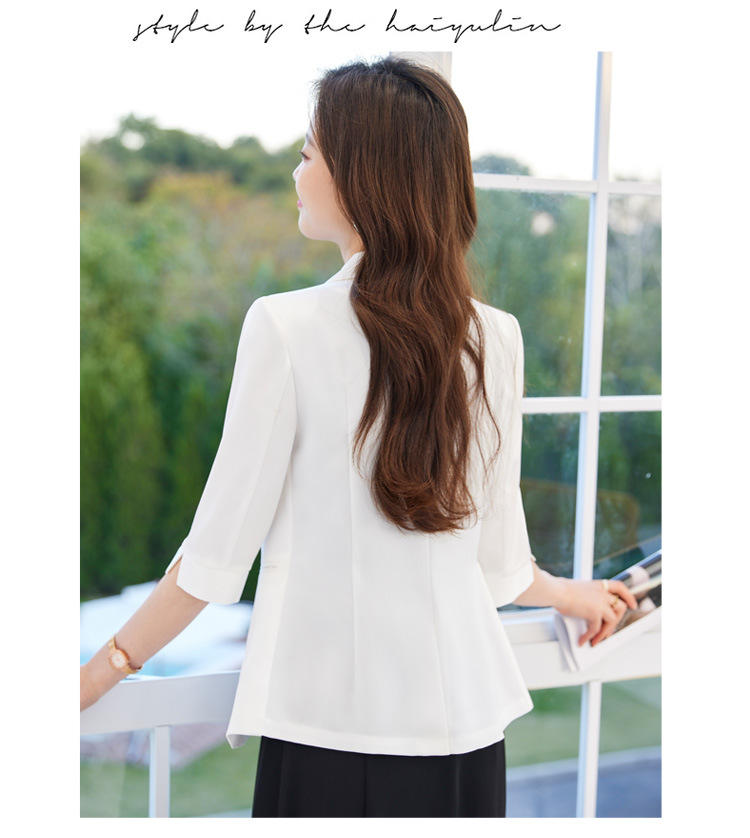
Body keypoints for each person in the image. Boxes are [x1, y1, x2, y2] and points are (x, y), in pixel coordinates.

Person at [80, 57, 637, 818]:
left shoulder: (284, 327)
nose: (296, 170)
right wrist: (571, 594)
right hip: (467, 736)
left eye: (309, 152)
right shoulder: (495, 338)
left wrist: (98, 673)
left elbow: (213, 560)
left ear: (359, 175)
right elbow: (497, 558)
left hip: (330, 735)